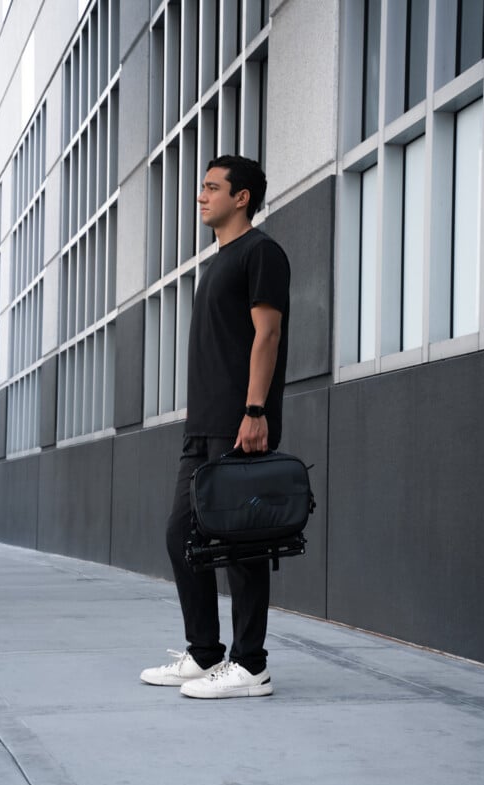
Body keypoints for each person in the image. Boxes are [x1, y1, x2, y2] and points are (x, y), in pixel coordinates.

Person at [140, 155, 290, 699]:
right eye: (202, 187)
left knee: (242, 543)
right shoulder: (218, 260)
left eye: (211, 187)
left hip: (239, 424)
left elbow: (267, 335)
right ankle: (205, 653)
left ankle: (251, 664)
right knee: (182, 534)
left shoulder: (261, 252)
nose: (201, 196)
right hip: (203, 427)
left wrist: (255, 413)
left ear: (242, 196)